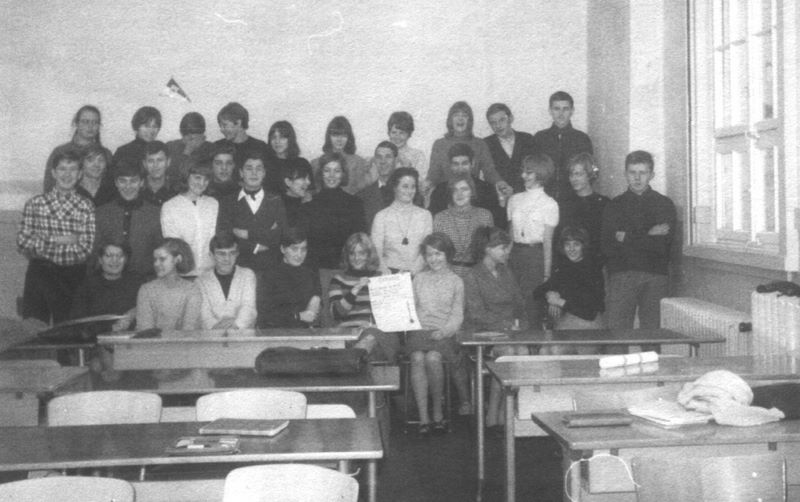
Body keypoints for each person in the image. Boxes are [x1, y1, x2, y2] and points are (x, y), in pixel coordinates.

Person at [601, 150, 676, 340]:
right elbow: (609, 245)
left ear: (652, 175)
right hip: (622, 274)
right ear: (625, 174)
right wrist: (650, 233)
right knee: (618, 333)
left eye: (642, 172)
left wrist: (627, 237)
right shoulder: (614, 206)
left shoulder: (664, 204)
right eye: (632, 172)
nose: (637, 178)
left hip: (655, 274)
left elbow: (662, 247)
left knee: (652, 334)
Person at [18, 150, 95, 324]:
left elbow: (85, 249)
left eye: (73, 169)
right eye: (62, 169)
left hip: (73, 275)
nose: (67, 175)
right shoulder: (35, 204)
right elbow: (23, 242)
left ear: (80, 174)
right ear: (53, 173)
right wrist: (62, 239)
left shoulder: (86, 206)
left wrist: (42, 241)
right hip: (40, 272)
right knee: (34, 327)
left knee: (69, 328)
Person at [463, 226, 527, 430]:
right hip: (483, 334)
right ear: (487, 249)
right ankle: (496, 413)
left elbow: (519, 303)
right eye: (502, 248)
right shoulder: (472, 275)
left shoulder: (506, 271)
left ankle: (501, 412)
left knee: (522, 352)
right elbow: (476, 314)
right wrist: (507, 325)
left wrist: (517, 324)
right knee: (510, 354)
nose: (507, 252)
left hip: (509, 332)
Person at [407, 233, 467, 435]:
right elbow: (410, 309)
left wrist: (444, 331)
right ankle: (423, 417)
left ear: (447, 254)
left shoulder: (456, 281)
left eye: (438, 254)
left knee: (433, 358)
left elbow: (457, 315)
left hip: (444, 335)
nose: (434, 259)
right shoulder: (418, 279)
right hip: (419, 332)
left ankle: (437, 411)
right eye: (429, 254)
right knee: (417, 357)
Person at [300, 152, 366, 326]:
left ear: (343, 174)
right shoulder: (308, 205)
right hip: (318, 272)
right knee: (323, 321)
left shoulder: (355, 204)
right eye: (327, 170)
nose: (331, 175)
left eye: (337, 171)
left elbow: (360, 241)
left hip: (346, 273)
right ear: (320, 174)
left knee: (345, 321)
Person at [506, 153, 559, 328]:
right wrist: (505, 262)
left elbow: (548, 242)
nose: (523, 176)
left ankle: (533, 341)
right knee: (513, 303)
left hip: (535, 257)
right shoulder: (514, 200)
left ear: (541, 173)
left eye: (529, 172)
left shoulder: (550, 204)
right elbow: (510, 236)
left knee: (532, 306)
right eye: (523, 171)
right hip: (515, 255)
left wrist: (546, 275)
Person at [534, 226, 605, 354]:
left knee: (556, 350)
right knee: (543, 351)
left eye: (576, 244)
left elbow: (589, 312)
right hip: (567, 324)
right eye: (567, 245)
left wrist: (560, 302)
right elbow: (537, 292)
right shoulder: (563, 268)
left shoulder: (593, 269)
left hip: (589, 326)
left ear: (583, 246)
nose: (571, 249)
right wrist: (551, 295)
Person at [329, 233, 398, 361]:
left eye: (361, 253)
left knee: (370, 337)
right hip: (347, 335)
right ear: (347, 255)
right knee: (362, 349)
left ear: (369, 255)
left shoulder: (380, 278)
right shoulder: (338, 279)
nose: (356, 258)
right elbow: (336, 314)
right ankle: (353, 360)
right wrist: (355, 289)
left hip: (377, 335)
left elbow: (393, 318)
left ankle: (350, 359)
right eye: (352, 253)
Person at [216, 150, 288, 272]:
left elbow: (281, 234)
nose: (254, 173)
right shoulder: (227, 201)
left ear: (264, 173)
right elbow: (224, 235)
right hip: (239, 268)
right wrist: (255, 246)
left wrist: (248, 234)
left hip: (271, 268)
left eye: (258, 169)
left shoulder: (275, 200)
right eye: (249, 168)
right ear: (241, 173)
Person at [426, 101, 510, 200]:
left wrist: (499, 182)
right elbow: (433, 174)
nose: (460, 118)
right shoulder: (439, 144)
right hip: (446, 195)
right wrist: (427, 185)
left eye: (464, 115)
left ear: (469, 121)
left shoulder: (479, 144)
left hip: (472, 195)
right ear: (450, 120)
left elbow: (489, 171)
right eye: (456, 115)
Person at [94, 161, 163, 279]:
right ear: (116, 183)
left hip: (145, 280)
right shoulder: (101, 213)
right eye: (123, 181)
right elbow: (96, 253)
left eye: (133, 181)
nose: (128, 186)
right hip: (109, 281)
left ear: (142, 182)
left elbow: (161, 252)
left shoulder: (155, 213)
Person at [161, 159, 218, 276]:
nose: (202, 183)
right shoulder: (170, 207)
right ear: (186, 176)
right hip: (183, 274)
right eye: (197, 178)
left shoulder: (213, 204)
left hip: (211, 273)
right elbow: (174, 246)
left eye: (206, 179)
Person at [531, 91, 593, 200]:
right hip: (544, 197)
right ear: (550, 111)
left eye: (565, 109)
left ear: (572, 111)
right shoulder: (539, 138)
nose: (561, 114)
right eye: (556, 109)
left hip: (573, 198)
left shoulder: (582, 139)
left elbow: (589, 172)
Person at [256, 227, 321, 328]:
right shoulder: (269, 275)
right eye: (294, 249)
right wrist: (298, 316)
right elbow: (265, 314)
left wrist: (315, 301)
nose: (299, 254)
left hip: (305, 331)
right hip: (277, 332)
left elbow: (317, 297)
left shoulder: (310, 273)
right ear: (282, 249)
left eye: (303, 249)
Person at [70, 241, 142, 331]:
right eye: (109, 256)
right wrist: (111, 328)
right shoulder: (88, 286)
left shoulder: (136, 282)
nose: (115, 260)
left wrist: (132, 314)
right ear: (100, 260)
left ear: (126, 259)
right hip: (96, 337)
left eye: (120, 256)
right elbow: (78, 322)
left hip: (132, 336)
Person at [371, 167, 432, 275]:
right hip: (388, 275)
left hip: (418, 274)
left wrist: (412, 272)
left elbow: (426, 249)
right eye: (405, 186)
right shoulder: (381, 217)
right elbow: (376, 251)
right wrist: (387, 272)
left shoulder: (425, 215)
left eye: (413, 187)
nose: (410, 191)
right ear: (394, 188)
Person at [428, 143, 505, 228]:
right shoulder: (440, 190)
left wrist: (502, 201)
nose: (460, 169)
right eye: (456, 164)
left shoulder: (487, 189)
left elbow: (497, 225)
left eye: (464, 163)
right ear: (450, 165)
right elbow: (433, 224)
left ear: (472, 163)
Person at [556, 152, 609, 270]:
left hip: (593, 264)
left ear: (589, 175)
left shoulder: (603, 203)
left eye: (578, 174)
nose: (574, 179)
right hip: (567, 264)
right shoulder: (564, 203)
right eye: (571, 174)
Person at [433, 175, 493, 277]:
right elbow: (436, 253)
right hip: (448, 275)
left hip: (478, 275)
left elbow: (490, 251)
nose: (459, 194)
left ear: (472, 192)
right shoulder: (440, 218)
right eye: (455, 190)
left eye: (464, 189)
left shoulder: (484, 216)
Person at [136, 238, 202, 331]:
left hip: (184, 340)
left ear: (177, 259)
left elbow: (189, 330)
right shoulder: (146, 290)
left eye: (162, 259)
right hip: (152, 341)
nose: (156, 264)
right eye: (155, 259)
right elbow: (145, 331)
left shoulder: (192, 290)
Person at [43, 105, 112, 192]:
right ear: (76, 123)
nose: (90, 126)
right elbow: (49, 186)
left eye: (95, 122)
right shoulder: (60, 151)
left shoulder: (106, 154)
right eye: (85, 122)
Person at [196, 233, 257, 330]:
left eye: (232, 253)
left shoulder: (247, 275)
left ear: (237, 254)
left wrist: (236, 325)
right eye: (221, 254)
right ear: (211, 255)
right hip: (213, 334)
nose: (227, 259)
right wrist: (216, 328)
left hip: (242, 333)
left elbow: (249, 307)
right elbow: (204, 314)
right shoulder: (201, 281)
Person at [357, 141, 424, 229]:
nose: (383, 161)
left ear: (396, 160)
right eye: (379, 157)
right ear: (374, 161)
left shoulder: (412, 194)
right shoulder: (362, 196)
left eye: (388, 157)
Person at [483, 103, 537, 194]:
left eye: (502, 120)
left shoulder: (527, 139)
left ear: (511, 118)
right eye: (493, 123)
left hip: (526, 194)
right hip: (499, 196)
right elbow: (488, 172)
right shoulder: (486, 144)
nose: (498, 125)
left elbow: (535, 169)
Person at [311, 116, 373, 194]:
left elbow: (361, 191)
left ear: (349, 137)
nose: (339, 139)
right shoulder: (316, 163)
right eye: (335, 135)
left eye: (344, 135)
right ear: (328, 137)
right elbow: (314, 192)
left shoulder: (358, 162)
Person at [214, 102, 270, 173]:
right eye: (220, 126)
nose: (221, 130)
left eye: (225, 125)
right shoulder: (217, 146)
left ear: (238, 123)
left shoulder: (260, 147)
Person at [265, 120, 314, 196]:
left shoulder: (302, 163)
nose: (277, 141)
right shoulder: (265, 164)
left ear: (290, 139)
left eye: (282, 137)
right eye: (273, 137)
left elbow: (311, 190)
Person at [166, 111, 213, 188]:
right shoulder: (172, 147)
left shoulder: (210, 148)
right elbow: (172, 177)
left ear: (202, 135)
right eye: (186, 135)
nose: (190, 139)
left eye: (194, 136)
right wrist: (186, 152)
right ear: (182, 134)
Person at [112, 106, 161, 171]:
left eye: (154, 126)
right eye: (146, 126)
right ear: (137, 126)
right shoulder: (123, 151)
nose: (151, 130)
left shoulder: (161, 151)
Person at [387, 111, 427, 180]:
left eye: (402, 133)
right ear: (389, 133)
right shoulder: (382, 154)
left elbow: (420, 181)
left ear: (409, 134)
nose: (397, 137)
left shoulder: (418, 156)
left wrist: (409, 169)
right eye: (394, 132)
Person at [140, 141, 176, 206]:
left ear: (168, 162)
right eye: (151, 161)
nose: (155, 165)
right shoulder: (137, 188)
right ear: (144, 164)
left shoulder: (176, 189)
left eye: (160, 160)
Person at [280, 160, 313, 227]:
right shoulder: (279, 205)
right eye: (303, 178)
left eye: (308, 178)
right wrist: (306, 205)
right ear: (288, 182)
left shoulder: (310, 199)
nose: (308, 182)